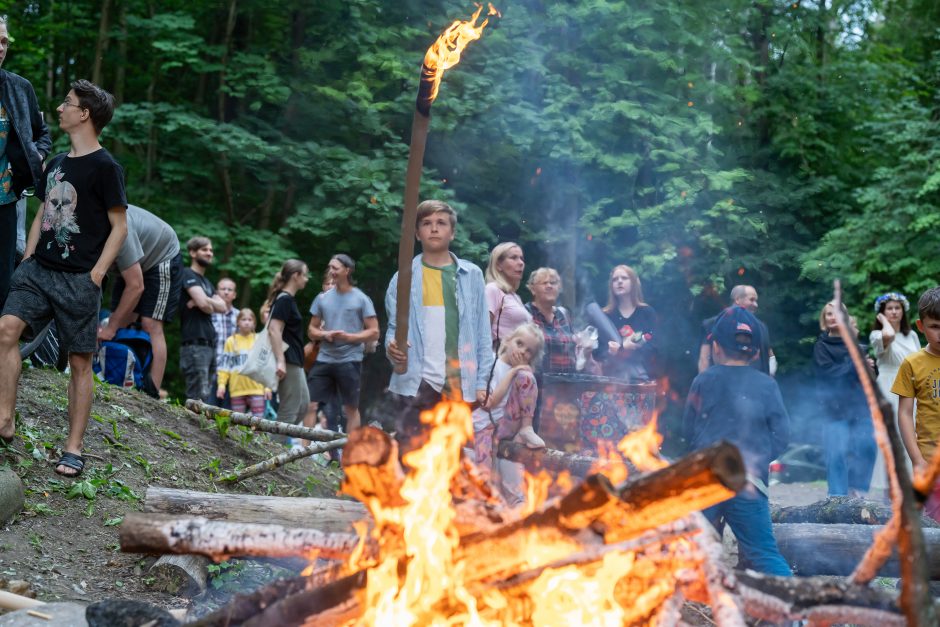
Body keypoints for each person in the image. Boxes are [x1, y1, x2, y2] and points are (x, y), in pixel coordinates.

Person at [0, 79, 126, 478]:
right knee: (6, 329)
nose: (59, 108)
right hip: (38, 271)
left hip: (79, 279)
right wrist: (28, 257)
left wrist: (98, 272)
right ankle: (4, 419)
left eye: (67, 103)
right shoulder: (55, 163)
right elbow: (41, 213)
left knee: (79, 361)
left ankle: (73, 448)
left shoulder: (107, 168)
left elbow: (119, 226)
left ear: (84, 114)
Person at [682, 306, 791, 576]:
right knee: (765, 554)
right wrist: (757, 460)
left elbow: (688, 430)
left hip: (706, 479)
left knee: (689, 550)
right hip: (748, 482)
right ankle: (797, 617)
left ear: (716, 346)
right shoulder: (766, 384)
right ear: (755, 352)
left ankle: (668, 611)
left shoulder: (703, 380)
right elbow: (782, 434)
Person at [385, 200, 493, 448]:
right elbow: (393, 328)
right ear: (417, 233)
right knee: (410, 460)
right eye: (426, 223)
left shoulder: (472, 275)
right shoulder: (404, 278)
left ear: (452, 232)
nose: (434, 229)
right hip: (417, 384)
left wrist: (481, 383)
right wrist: (392, 349)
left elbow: (482, 336)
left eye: (441, 223)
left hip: (458, 386)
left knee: (448, 464)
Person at [97, 205, 182, 393]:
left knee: (150, 324)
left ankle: (152, 392)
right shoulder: (89, 229)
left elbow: (136, 287)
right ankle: (120, 378)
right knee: (122, 319)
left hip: (162, 255)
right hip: (135, 261)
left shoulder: (120, 231)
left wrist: (110, 327)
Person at [0, 16, 53, 310]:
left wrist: (37, 156)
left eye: (4, 41)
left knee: (2, 281)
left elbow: (42, 135)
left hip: (5, 199)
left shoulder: (20, 88)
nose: (1, 47)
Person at [471, 322, 545, 503]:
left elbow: (523, 397)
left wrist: (518, 372)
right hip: (484, 426)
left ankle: (526, 429)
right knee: (484, 478)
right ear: (508, 340)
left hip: (506, 426)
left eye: (529, 351)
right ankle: (484, 508)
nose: (522, 352)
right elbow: (489, 403)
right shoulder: (491, 363)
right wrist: (512, 372)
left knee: (527, 377)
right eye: (519, 344)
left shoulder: (522, 372)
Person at [306, 254, 378, 434]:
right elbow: (311, 330)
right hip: (324, 358)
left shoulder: (361, 299)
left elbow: (374, 331)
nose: (331, 272)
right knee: (311, 404)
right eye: (330, 267)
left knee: (350, 409)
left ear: (347, 271)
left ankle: (351, 455)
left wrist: (350, 338)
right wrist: (325, 334)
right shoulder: (322, 299)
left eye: (335, 268)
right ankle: (303, 452)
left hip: (350, 360)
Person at [813, 300, 876, 497]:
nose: (833, 317)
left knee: (868, 448)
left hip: (860, 406)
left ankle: (856, 490)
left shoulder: (857, 345)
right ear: (825, 319)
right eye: (829, 314)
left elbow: (869, 378)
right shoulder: (821, 346)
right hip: (834, 409)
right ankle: (837, 498)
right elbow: (830, 373)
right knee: (837, 453)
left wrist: (871, 368)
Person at [894, 287, 940, 521]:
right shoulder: (912, 364)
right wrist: (917, 460)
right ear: (921, 326)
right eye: (935, 327)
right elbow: (904, 414)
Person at [869, 292, 919, 498]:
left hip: (911, 390)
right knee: (891, 437)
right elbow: (889, 335)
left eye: (897, 308)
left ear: (903, 310)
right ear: (882, 312)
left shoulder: (912, 335)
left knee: (911, 435)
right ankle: (889, 489)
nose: (894, 312)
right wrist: (882, 320)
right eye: (889, 308)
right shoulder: (878, 335)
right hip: (889, 388)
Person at [179, 236, 227, 404]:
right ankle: (187, 430)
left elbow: (223, 307)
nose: (209, 253)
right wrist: (206, 302)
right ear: (193, 252)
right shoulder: (187, 274)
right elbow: (204, 304)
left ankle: (198, 429)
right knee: (196, 396)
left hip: (209, 344)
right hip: (194, 344)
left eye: (211, 250)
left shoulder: (206, 282)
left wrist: (206, 301)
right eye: (204, 249)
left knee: (205, 396)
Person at [524, 267, 598, 376]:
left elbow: (575, 354)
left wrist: (584, 347)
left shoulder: (564, 314)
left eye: (553, 283)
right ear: (532, 289)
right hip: (538, 384)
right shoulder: (525, 313)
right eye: (543, 283)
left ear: (559, 288)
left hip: (567, 385)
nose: (549, 286)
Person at [265, 259, 310, 430]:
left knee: (302, 407)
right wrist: (280, 361)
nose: (306, 279)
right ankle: (271, 451)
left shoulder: (289, 300)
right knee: (289, 411)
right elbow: (274, 330)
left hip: (296, 360)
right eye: (304, 275)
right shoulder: (284, 300)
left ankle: (276, 445)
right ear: (296, 276)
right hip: (287, 360)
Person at [597, 264, 658, 382]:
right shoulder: (605, 316)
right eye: (615, 279)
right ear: (611, 286)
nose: (619, 281)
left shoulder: (647, 312)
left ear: (634, 283)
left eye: (624, 278)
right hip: (611, 380)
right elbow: (598, 351)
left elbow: (655, 346)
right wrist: (611, 351)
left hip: (641, 377)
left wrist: (633, 346)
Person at [697, 285, 776, 375]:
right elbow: (704, 358)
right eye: (751, 300)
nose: (756, 304)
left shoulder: (761, 327)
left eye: (756, 301)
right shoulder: (712, 324)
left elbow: (769, 355)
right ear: (737, 299)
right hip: (721, 385)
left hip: (753, 385)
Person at [216, 308, 270, 417]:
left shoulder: (260, 339)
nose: (246, 322)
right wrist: (221, 385)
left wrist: (267, 387)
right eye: (243, 319)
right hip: (237, 390)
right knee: (238, 424)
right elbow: (224, 366)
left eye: (250, 320)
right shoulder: (231, 341)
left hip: (257, 389)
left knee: (259, 424)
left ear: (254, 323)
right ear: (237, 322)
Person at [484, 242, 531, 347]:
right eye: (514, 258)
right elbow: (482, 333)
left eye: (521, 258)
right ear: (498, 265)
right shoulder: (492, 290)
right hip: (499, 359)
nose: (521, 263)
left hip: (518, 361)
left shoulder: (515, 297)